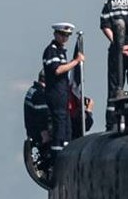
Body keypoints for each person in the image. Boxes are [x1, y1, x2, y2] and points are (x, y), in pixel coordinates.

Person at [42, 22, 85, 151]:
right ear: (55, 34)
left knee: (67, 127)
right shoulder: (51, 51)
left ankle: (65, 150)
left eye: (67, 36)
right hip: (55, 93)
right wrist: (76, 61)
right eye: (62, 35)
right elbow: (58, 70)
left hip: (63, 94)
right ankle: (57, 157)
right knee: (60, 127)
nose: (64, 38)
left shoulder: (61, 51)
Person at [23, 72, 51, 152]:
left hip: (32, 134)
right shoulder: (40, 94)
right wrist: (44, 136)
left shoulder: (32, 90)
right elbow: (42, 117)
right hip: (39, 137)